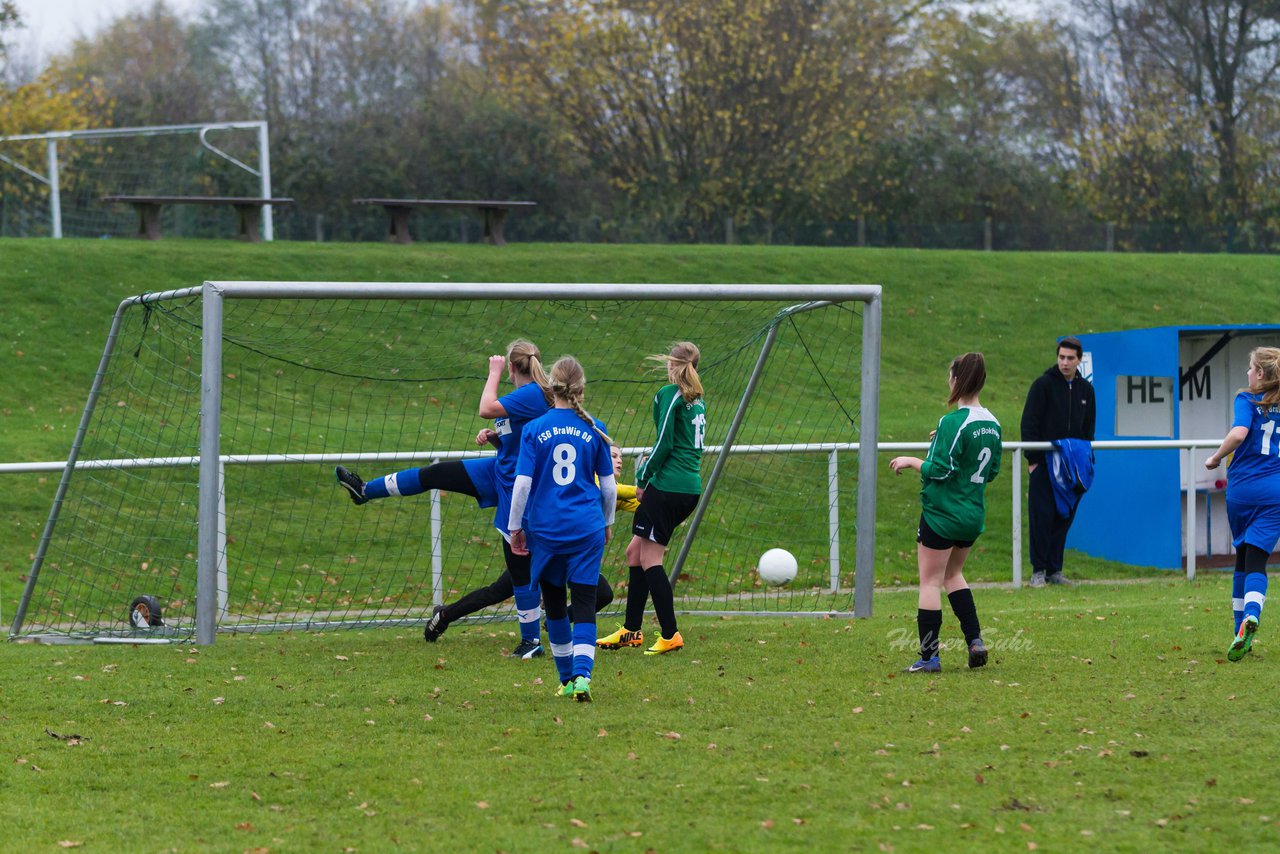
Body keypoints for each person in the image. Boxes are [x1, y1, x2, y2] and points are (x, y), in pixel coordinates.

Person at [334, 339, 552, 659]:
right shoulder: (525, 397)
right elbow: (519, 442)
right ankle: (365, 491)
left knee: (518, 569)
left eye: (504, 365)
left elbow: (485, 409)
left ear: (511, 366)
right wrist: (496, 439)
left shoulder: (531, 393)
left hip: (519, 486)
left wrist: (492, 372)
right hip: (498, 471)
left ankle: (531, 642)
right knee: (435, 475)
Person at [420, 442, 637, 643]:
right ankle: (445, 615)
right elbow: (607, 489)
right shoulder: (587, 480)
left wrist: (651, 487)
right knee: (498, 592)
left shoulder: (615, 492)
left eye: (620, 457)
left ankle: (553, 626)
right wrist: (637, 490)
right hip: (540, 546)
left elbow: (640, 501)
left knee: (603, 593)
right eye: (613, 456)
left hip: (568, 552)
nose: (618, 460)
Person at [509, 356, 616, 702]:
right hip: (586, 527)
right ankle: (584, 676)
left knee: (554, 605)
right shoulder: (594, 427)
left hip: (547, 530)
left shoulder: (534, 429)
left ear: (550, 387)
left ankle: (567, 678)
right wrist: (608, 523)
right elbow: (609, 487)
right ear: (581, 389)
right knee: (584, 602)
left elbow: (522, 485)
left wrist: (514, 528)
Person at [889, 352, 1002, 673]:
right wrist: (942, 442)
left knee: (930, 582)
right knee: (954, 575)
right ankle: (975, 640)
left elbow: (939, 470)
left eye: (950, 377)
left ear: (958, 380)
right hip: (971, 515)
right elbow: (990, 470)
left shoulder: (952, 422)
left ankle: (929, 658)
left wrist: (910, 460)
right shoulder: (992, 423)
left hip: (943, 514)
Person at [598, 341, 706, 656]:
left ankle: (670, 634)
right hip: (687, 488)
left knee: (649, 560)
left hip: (668, 488)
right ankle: (631, 630)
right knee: (635, 552)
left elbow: (664, 444)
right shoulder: (695, 399)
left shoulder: (669, 394)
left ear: (671, 364)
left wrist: (643, 476)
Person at [1205, 347, 1280, 662]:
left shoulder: (1246, 399)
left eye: (1250, 369)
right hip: (1275, 494)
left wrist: (1215, 457)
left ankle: (1241, 628)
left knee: (1241, 559)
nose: (1248, 374)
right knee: (1257, 560)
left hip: (1242, 491)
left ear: (1260, 374)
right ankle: (1251, 616)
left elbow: (1238, 433)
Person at [1020, 335, 1095, 587]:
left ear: (1079, 360)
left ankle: (1055, 570)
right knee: (1041, 516)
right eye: (1061, 357)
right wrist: (1033, 460)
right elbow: (1029, 422)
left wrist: (1085, 462)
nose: (1065, 362)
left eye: (1070, 358)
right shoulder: (1043, 385)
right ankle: (1038, 571)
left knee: (1065, 516)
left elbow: (1088, 430)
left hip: (1072, 468)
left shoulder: (1087, 390)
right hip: (1044, 464)